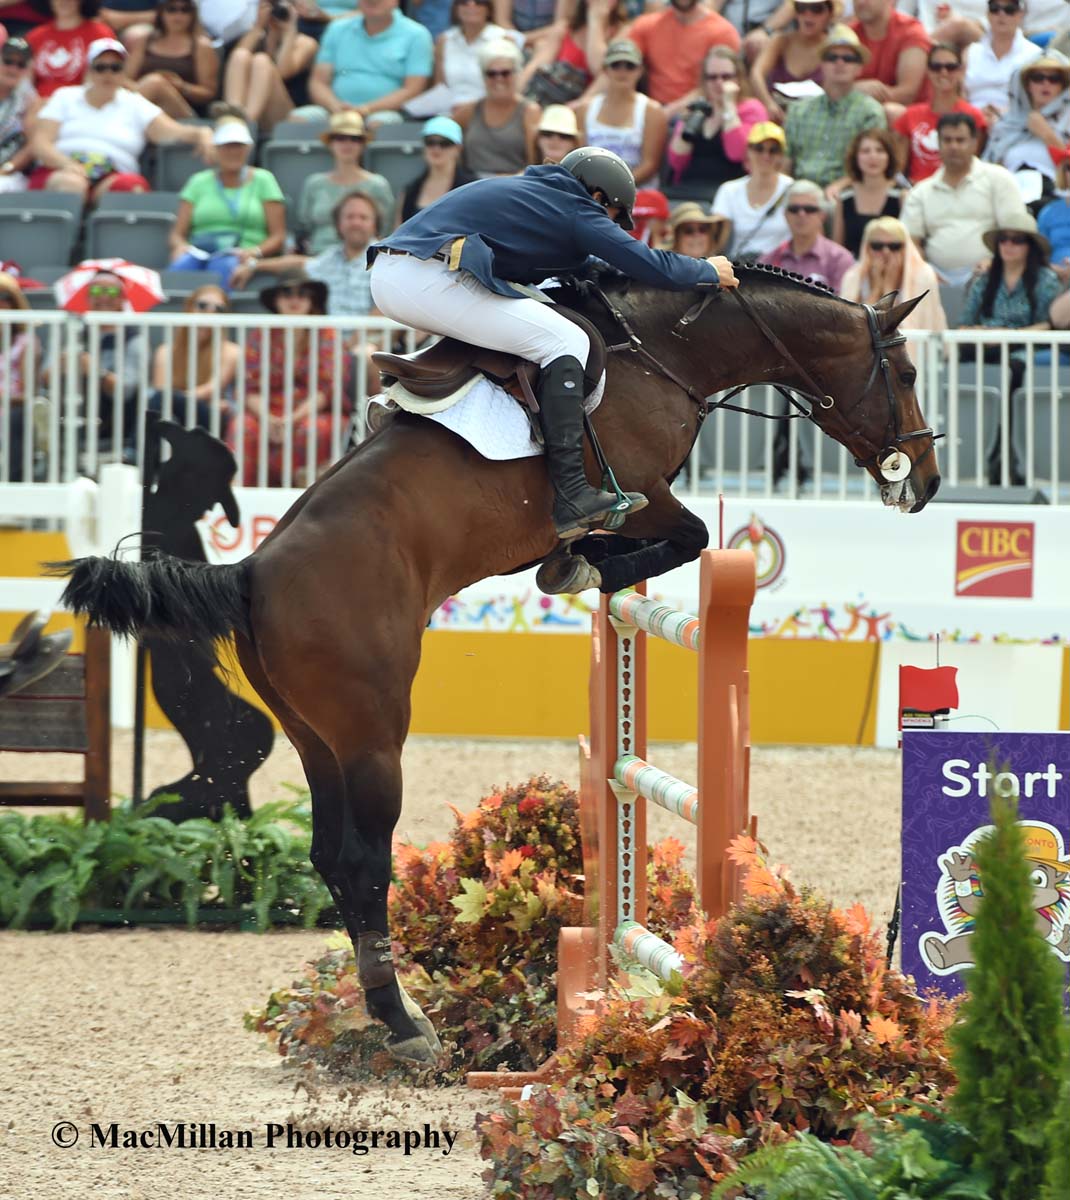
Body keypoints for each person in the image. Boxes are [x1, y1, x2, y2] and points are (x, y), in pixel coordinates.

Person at [367, 146, 738, 539]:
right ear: (598, 197)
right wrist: (705, 270)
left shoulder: (538, 196)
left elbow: (575, 265)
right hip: (426, 277)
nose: (610, 225)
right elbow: (644, 262)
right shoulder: (575, 207)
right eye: (613, 216)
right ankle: (572, 492)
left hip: (402, 272)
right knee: (566, 340)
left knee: (525, 332)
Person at [30, 38, 213, 199]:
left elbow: (172, 132)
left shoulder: (135, 103)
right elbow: (41, 143)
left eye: (115, 68)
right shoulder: (65, 96)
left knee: (132, 188)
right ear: (89, 70)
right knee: (71, 184)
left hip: (111, 175)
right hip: (60, 169)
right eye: (100, 67)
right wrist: (66, 164)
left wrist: (202, 133)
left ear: (123, 72)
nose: (107, 74)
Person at [959, 212, 1059, 483]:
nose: (1009, 245)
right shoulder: (985, 278)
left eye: (1017, 240)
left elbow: (1049, 324)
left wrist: (1009, 334)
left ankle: (1007, 456)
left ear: (1030, 246)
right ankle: (972, 458)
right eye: (1004, 239)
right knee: (961, 364)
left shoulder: (1045, 279)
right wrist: (982, 333)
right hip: (984, 348)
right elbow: (964, 324)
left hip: (1023, 349)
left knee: (1014, 371)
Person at [234, 274, 352, 486]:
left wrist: (291, 420)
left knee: (311, 430)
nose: (294, 299)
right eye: (287, 293)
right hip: (266, 411)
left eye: (302, 293)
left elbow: (327, 390)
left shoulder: (327, 334)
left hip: (316, 411)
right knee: (242, 426)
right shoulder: (261, 335)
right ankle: (239, 497)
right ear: (276, 300)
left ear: (311, 300)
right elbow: (249, 387)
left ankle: (305, 499)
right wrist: (269, 419)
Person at [902, 110, 1030, 283]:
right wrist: (925, 272)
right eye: (947, 140)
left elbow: (1015, 230)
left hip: (991, 274)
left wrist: (995, 262)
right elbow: (910, 241)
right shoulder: (921, 191)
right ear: (938, 144)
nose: (953, 146)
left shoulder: (999, 179)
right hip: (935, 279)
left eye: (960, 140)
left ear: (975, 143)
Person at [169, 114, 286, 288]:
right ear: (216, 148)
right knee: (180, 268)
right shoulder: (197, 182)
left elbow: (278, 236)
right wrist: (181, 247)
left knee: (225, 267)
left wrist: (255, 251)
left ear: (248, 149)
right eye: (226, 146)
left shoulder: (264, 180)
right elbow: (177, 234)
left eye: (238, 145)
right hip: (200, 251)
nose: (233, 151)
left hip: (241, 254)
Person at [233, 188, 378, 316]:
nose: (356, 223)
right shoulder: (330, 258)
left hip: (369, 343)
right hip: (327, 342)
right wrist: (254, 265)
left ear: (375, 224)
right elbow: (299, 264)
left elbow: (389, 309)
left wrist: (354, 343)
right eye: (350, 217)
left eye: (363, 217)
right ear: (338, 223)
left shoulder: (386, 260)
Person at [784, 25, 886, 190]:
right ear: (822, 65)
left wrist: (838, 187)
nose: (840, 63)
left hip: (846, 195)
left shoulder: (871, 112)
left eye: (848, 58)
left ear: (859, 68)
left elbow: (870, 165)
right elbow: (786, 162)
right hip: (799, 194)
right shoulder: (798, 110)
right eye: (832, 57)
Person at [305, 0, 433, 124]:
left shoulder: (417, 34)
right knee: (300, 120)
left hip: (387, 112)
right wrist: (335, 106)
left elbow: (413, 89)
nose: (372, 0)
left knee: (379, 123)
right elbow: (318, 81)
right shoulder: (336, 29)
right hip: (334, 110)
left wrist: (366, 109)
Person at [667, 46, 767, 193]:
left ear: (738, 79)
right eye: (712, 77)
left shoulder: (752, 109)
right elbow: (677, 162)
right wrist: (689, 122)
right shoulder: (698, 110)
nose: (719, 83)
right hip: (689, 189)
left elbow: (738, 153)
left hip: (732, 192)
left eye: (726, 77)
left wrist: (728, 106)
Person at [296, 110, 393, 254]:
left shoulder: (378, 184)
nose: (347, 144)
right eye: (340, 138)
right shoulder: (314, 183)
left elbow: (385, 230)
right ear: (330, 143)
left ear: (362, 144)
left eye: (354, 139)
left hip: (362, 261)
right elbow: (304, 227)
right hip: (316, 256)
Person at [838, 216, 946, 343]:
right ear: (866, 248)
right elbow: (853, 328)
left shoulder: (923, 275)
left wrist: (889, 290)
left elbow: (908, 331)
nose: (886, 252)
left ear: (906, 248)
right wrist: (876, 290)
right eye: (877, 246)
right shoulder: (853, 277)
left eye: (894, 246)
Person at [149, 283, 241, 432]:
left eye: (219, 310)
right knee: (162, 412)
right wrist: (176, 400)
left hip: (211, 416)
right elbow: (161, 393)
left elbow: (212, 388)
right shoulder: (165, 351)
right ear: (189, 308)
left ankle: (132, 452)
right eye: (202, 306)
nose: (209, 314)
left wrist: (176, 398)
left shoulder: (232, 351)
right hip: (174, 415)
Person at [626, 0, 740, 118]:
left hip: (699, 111)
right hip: (651, 109)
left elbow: (714, 85)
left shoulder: (722, 32)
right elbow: (619, 67)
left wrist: (665, 114)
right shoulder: (646, 25)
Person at [894, 42, 987, 182]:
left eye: (951, 67)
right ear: (928, 71)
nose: (943, 72)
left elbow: (975, 164)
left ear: (961, 71)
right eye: (936, 67)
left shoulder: (974, 117)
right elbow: (898, 169)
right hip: (917, 190)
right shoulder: (909, 115)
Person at [576, 38, 666, 184]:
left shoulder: (653, 112)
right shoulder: (584, 110)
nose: (622, 71)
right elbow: (580, 158)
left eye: (630, 66)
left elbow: (650, 165)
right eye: (615, 65)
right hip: (592, 192)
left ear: (640, 71)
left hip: (638, 192)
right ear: (605, 70)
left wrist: (616, 188)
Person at [222, 0, 318, 131]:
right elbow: (234, 62)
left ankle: (244, 124)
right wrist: (258, 28)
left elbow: (283, 72)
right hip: (248, 105)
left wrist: (289, 32)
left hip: (285, 115)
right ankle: (233, 116)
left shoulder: (306, 43)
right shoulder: (258, 36)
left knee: (261, 61)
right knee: (241, 55)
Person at [454, 38, 539, 176]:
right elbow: (446, 139)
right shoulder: (469, 110)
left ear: (517, 73)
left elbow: (535, 162)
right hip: (472, 185)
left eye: (505, 73)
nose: (499, 79)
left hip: (514, 184)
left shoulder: (529, 111)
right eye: (491, 74)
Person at [416, 0, 518, 115]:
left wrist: (468, 109)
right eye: (463, 2)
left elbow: (509, 88)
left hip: (489, 112)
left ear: (489, 9)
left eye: (479, 2)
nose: (471, 5)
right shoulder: (444, 40)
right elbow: (440, 87)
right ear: (456, 8)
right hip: (449, 112)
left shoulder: (503, 39)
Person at [518, 0, 628, 104]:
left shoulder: (623, 32)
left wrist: (595, 21)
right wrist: (516, 95)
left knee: (608, 75)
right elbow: (536, 65)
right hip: (555, 99)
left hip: (589, 106)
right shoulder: (565, 28)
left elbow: (600, 67)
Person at [124, 0, 219, 120]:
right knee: (154, 82)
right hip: (144, 106)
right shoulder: (144, 40)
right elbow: (125, 79)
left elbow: (209, 92)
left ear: (193, 14)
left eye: (185, 10)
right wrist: (145, 86)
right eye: (171, 9)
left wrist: (181, 87)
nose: (178, 16)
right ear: (161, 12)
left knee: (156, 82)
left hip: (184, 114)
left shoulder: (201, 46)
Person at [711, 120, 793, 260]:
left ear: (781, 155)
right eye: (759, 148)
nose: (766, 155)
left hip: (782, 269)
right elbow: (718, 241)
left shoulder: (793, 190)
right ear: (748, 151)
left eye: (773, 150)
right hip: (742, 269)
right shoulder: (729, 190)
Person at [983, 53, 1070, 183]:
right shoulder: (1006, 124)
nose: (1046, 83)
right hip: (1011, 193)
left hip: (1057, 197)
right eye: (1038, 78)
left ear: (1062, 86)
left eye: (1054, 79)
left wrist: (1048, 135)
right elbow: (989, 171)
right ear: (1027, 85)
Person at [750, 0, 839, 125]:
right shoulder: (781, 41)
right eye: (801, 8)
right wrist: (769, 104)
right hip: (777, 122)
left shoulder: (835, 49)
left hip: (817, 123)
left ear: (830, 13)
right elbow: (756, 73)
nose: (808, 15)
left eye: (816, 9)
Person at [761, 178, 855, 288]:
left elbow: (843, 303)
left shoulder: (839, 259)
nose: (801, 214)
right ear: (785, 215)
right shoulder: (768, 260)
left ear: (822, 215)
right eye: (794, 209)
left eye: (809, 209)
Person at [961, 0, 1041, 120]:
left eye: (1009, 10)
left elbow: (1036, 101)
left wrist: (1001, 114)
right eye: (995, 8)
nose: (1001, 14)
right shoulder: (970, 52)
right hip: (970, 123)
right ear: (988, 14)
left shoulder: (1035, 54)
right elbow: (959, 95)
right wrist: (976, 115)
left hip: (1015, 123)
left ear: (1021, 14)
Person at [831, 127, 904, 256]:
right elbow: (837, 249)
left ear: (889, 156)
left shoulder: (901, 196)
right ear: (856, 157)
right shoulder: (845, 198)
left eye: (880, 150)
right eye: (865, 151)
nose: (873, 156)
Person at [849, 0, 930, 114]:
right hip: (860, 113)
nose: (861, 2)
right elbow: (830, 86)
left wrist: (857, 94)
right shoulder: (847, 33)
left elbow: (907, 94)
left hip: (911, 118)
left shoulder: (911, 32)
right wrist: (852, 90)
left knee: (891, 111)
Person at [27, 0, 113, 99]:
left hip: (81, 104)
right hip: (38, 105)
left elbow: (107, 77)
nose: (64, 1)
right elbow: (25, 82)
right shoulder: (35, 36)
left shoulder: (100, 34)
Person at [396, 113, 474, 223]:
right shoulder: (410, 190)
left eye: (445, 143)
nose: (436, 148)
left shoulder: (472, 187)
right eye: (430, 142)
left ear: (458, 148)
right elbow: (399, 233)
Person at [0, 271, 38, 481]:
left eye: (4, 298)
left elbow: (27, 395)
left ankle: (12, 484)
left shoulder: (26, 342)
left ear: (14, 304)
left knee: (18, 418)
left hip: (11, 410)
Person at [0, 38, 42, 194]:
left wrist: (6, 169)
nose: (13, 69)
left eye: (21, 65)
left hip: (10, 175)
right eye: (8, 61)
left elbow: (32, 146)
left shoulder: (30, 101)